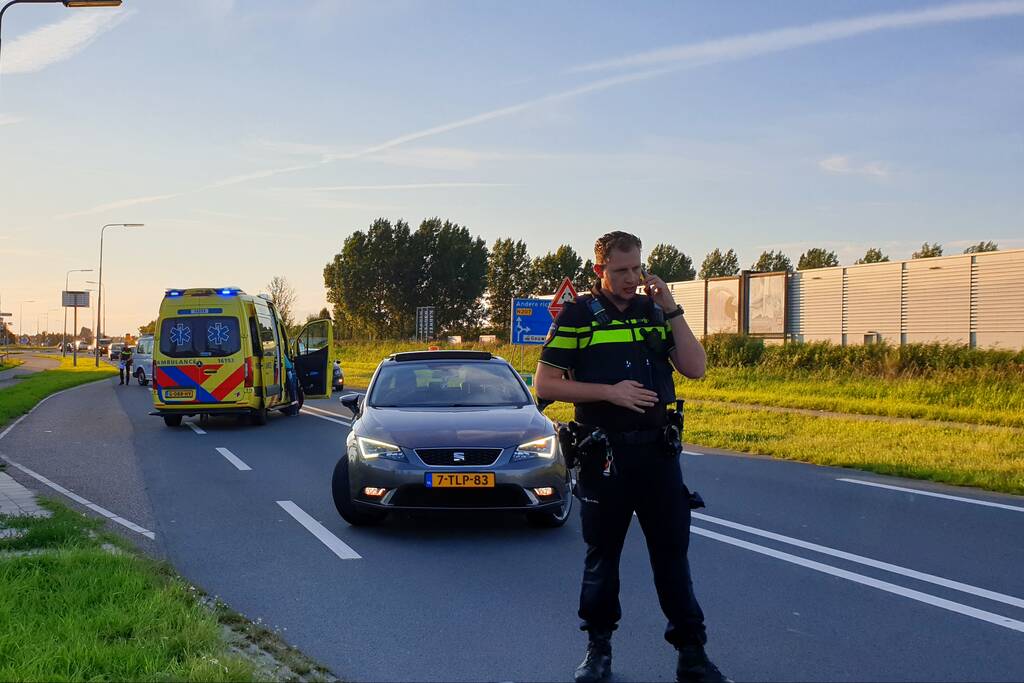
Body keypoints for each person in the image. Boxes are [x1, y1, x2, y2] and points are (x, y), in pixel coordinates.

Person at [535, 231, 729, 683]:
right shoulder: (579, 315)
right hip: (606, 458)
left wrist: (672, 308)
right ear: (599, 270)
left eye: (637, 268)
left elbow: (695, 368)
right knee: (603, 557)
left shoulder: (654, 312)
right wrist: (610, 392)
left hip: (658, 456)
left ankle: (692, 655)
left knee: (672, 557)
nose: (631, 278)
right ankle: (598, 653)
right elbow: (545, 386)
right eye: (620, 270)